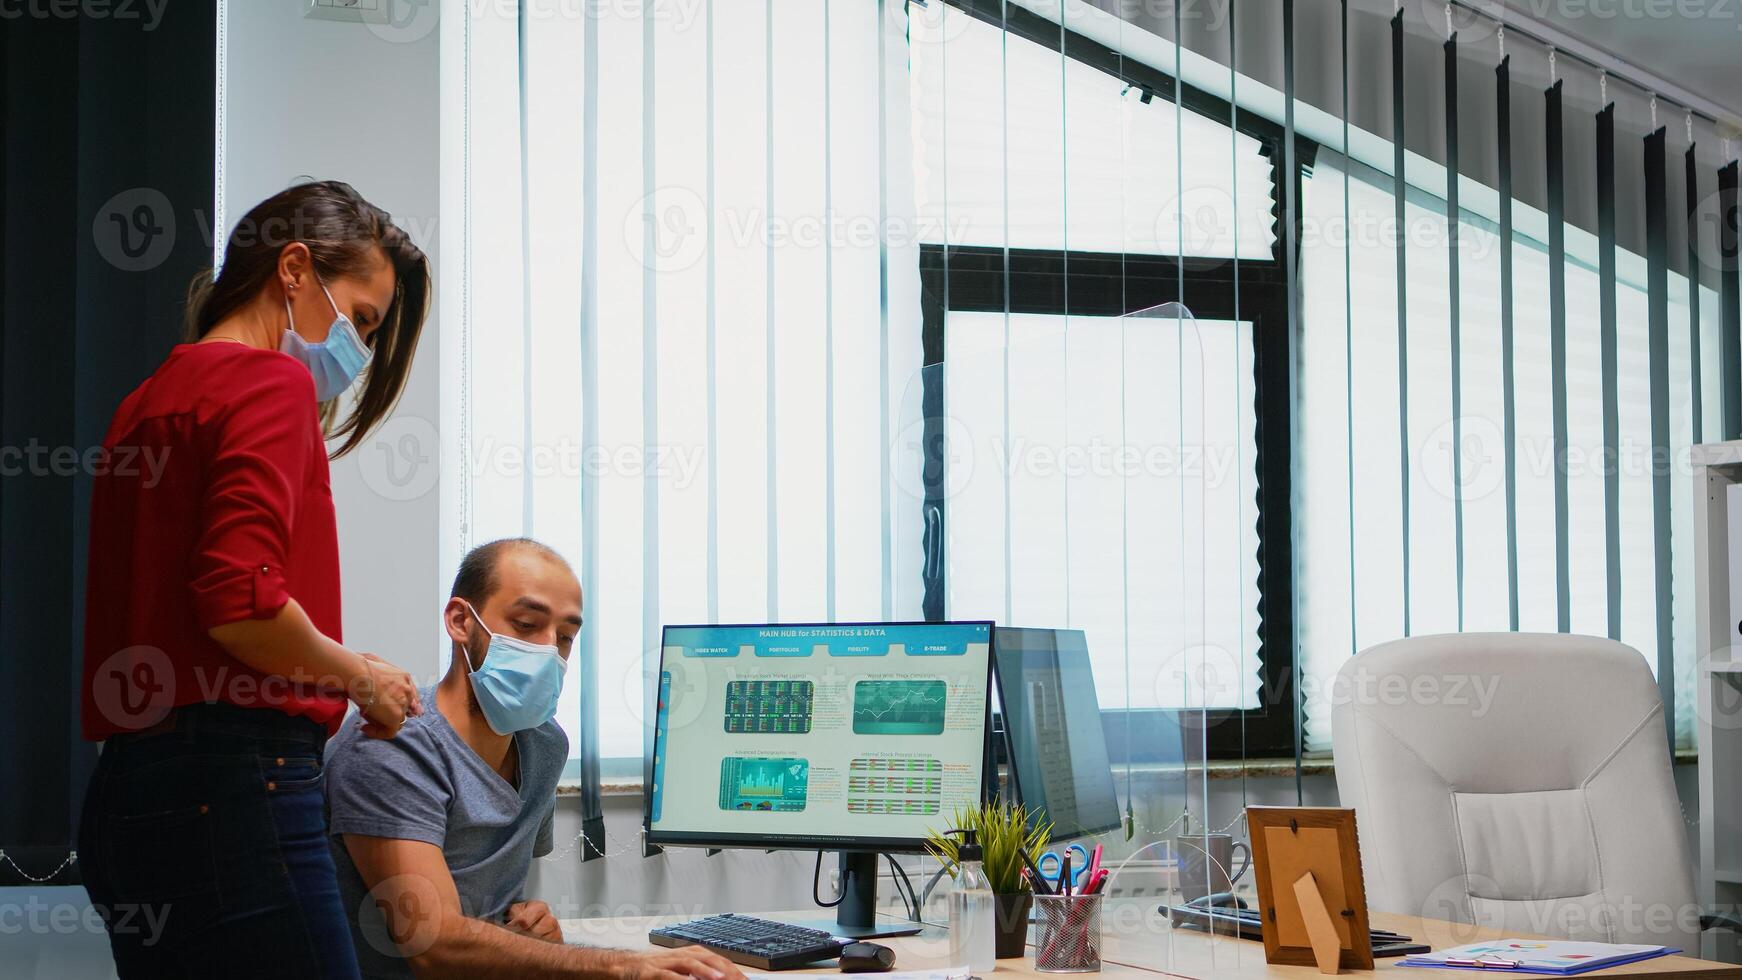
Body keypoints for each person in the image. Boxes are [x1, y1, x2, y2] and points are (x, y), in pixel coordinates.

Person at [78, 180, 431, 979]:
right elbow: (240, 606)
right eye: (361, 319)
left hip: (130, 794)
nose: (359, 351)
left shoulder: (144, 403)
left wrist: (345, 666)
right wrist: (361, 682)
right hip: (238, 794)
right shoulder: (271, 385)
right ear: (295, 269)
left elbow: (196, 611)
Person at [326, 538, 746, 980]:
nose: (549, 651)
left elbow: (497, 905)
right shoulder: (388, 746)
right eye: (526, 625)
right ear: (460, 621)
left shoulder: (544, 746)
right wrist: (624, 965)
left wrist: (530, 918)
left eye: (565, 637)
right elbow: (435, 945)